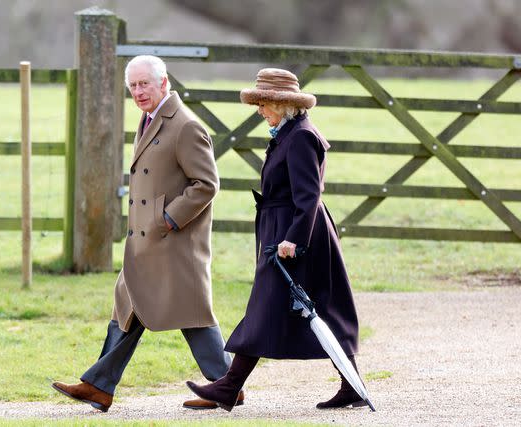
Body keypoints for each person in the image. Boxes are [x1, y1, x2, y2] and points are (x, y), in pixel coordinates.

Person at [52, 55, 240, 412]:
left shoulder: (184, 125)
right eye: (133, 86)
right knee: (127, 306)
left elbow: (206, 184)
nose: (138, 92)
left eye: (144, 84)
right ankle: (99, 386)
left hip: (173, 242)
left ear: (163, 83)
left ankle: (225, 385)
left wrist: (168, 218)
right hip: (146, 243)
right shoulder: (150, 118)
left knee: (192, 314)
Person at [186, 68, 366, 411]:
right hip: (285, 229)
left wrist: (293, 240)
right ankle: (231, 386)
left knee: (290, 307)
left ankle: (229, 386)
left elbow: (309, 195)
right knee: (280, 307)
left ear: (283, 105)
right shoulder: (288, 133)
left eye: (263, 103)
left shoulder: (300, 137)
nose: (259, 110)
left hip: (296, 235)